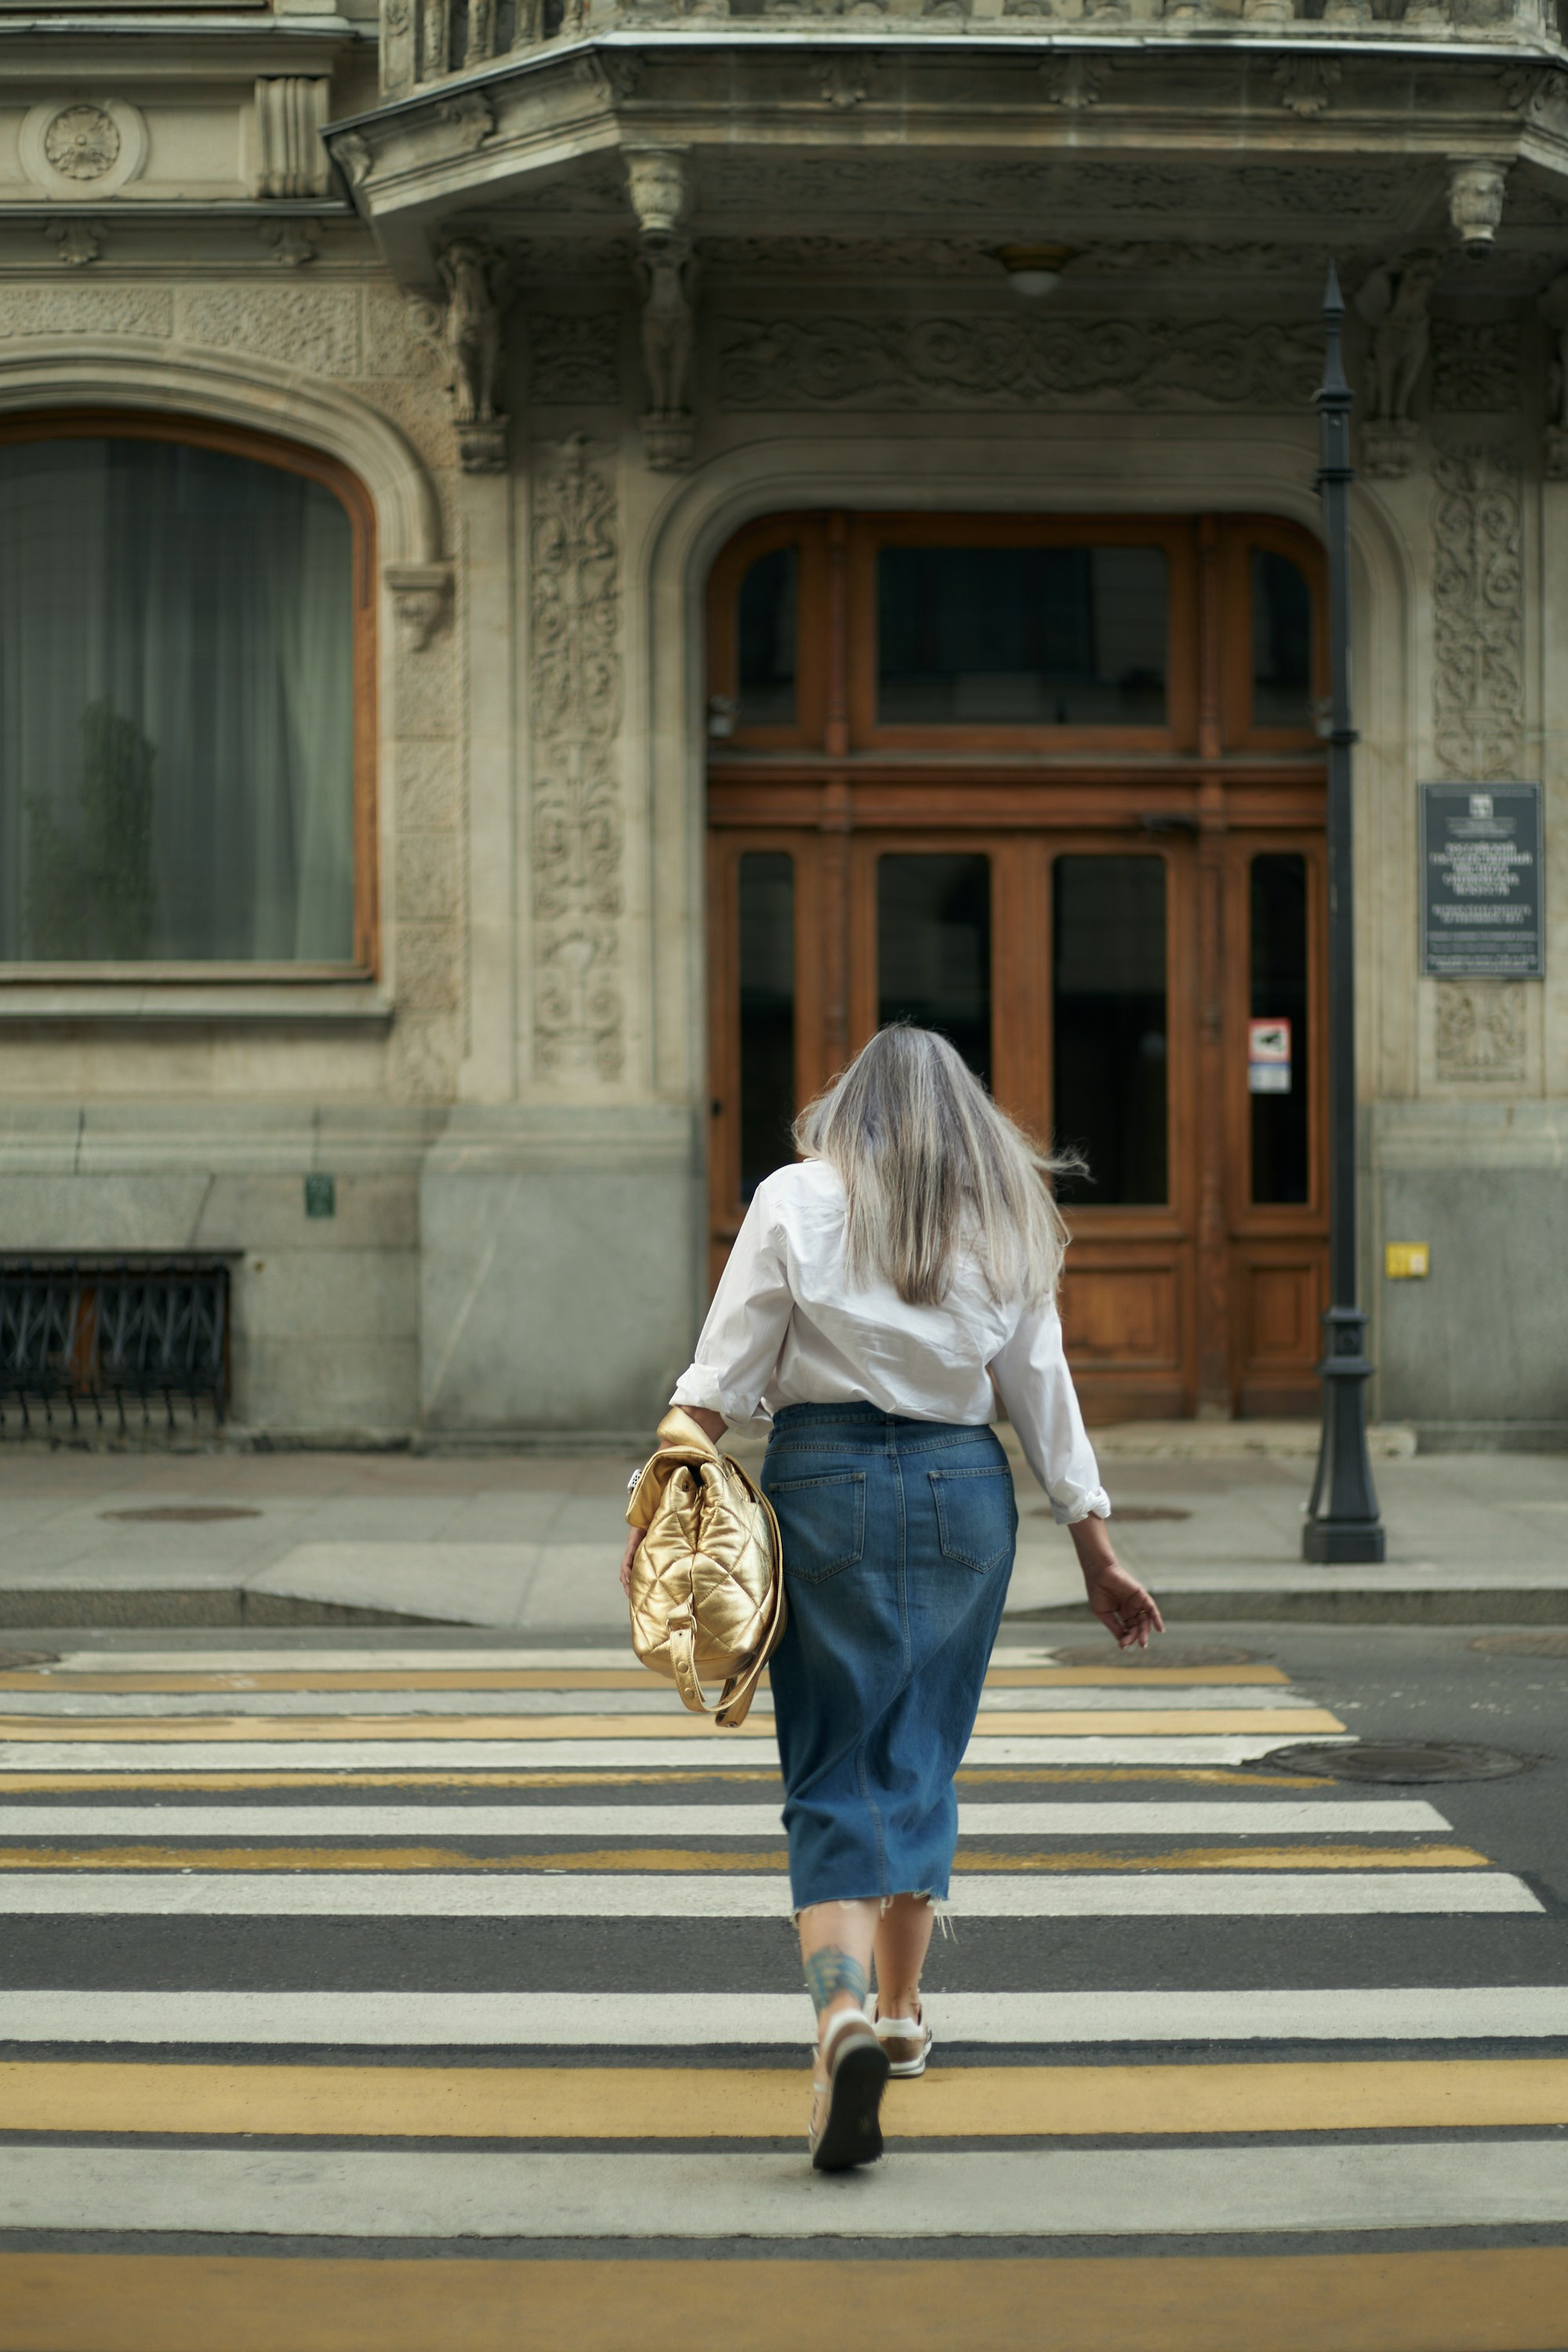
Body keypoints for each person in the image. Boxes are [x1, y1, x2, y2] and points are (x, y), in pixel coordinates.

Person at [619, 1025, 1163, 2172]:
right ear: (968, 1118)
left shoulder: (794, 1198)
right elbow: (1041, 1395)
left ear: (847, 1106)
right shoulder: (1009, 1214)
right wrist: (1098, 1549)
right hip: (967, 1495)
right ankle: (905, 2017)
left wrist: (656, 1506)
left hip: (825, 1484)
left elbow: (719, 1376)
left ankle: (840, 2022)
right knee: (922, 1751)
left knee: (832, 1765)